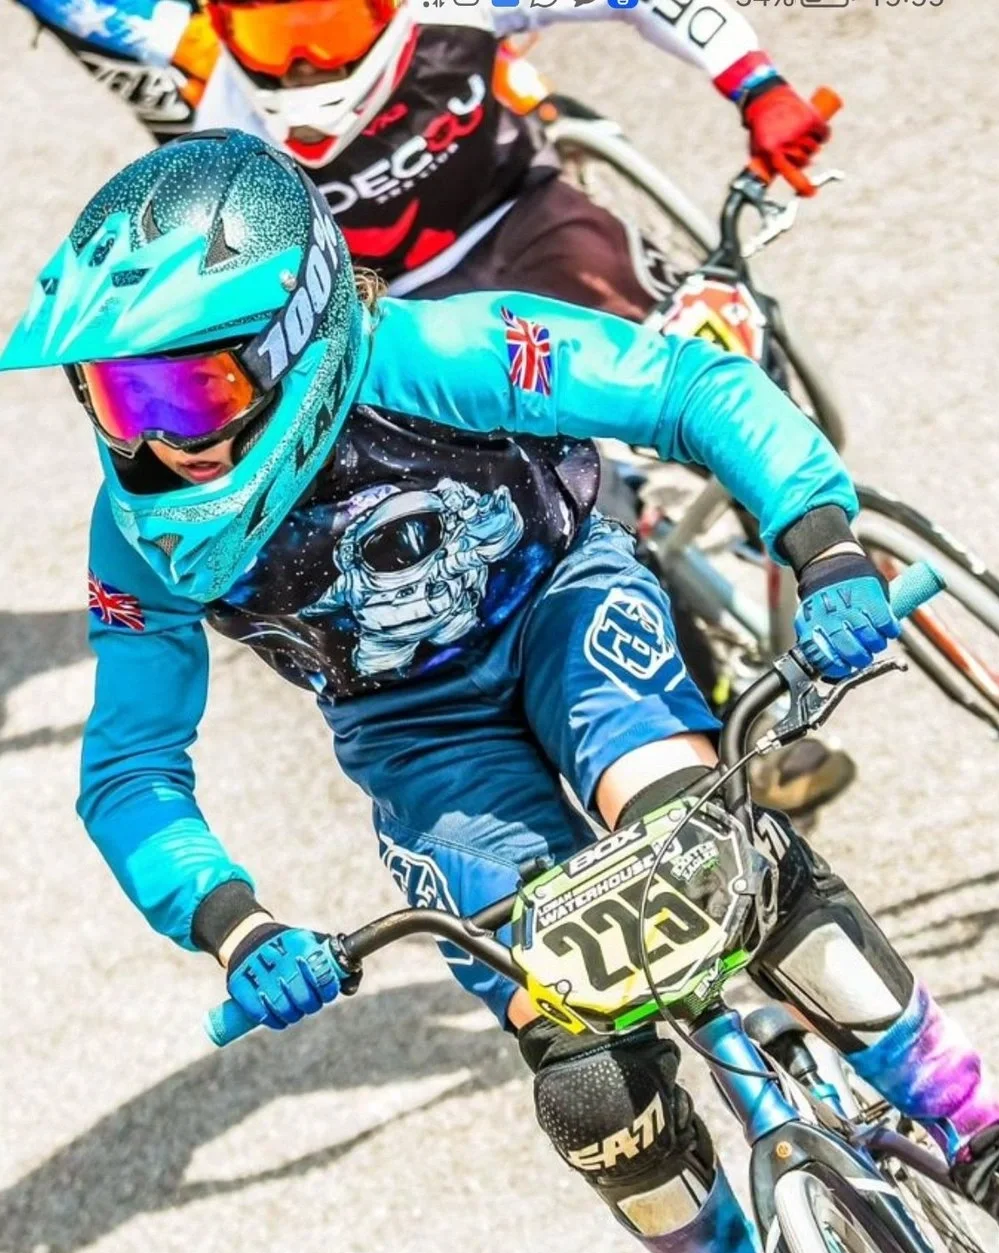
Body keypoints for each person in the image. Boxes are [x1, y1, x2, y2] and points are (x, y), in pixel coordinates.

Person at [9, 130, 996, 1253]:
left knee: (706, 850)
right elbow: (130, 768)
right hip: (419, 743)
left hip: (565, 614)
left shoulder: (433, 355)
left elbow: (682, 387)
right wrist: (236, 924)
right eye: (119, 402)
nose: (161, 443)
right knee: (591, 1081)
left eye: (188, 389)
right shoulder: (136, 538)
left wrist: (819, 545)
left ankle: (970, 1119)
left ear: (301, 328)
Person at [18, 0, 845, 814]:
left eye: (329, 25)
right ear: (226, 31)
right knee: (580, 512)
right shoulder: (223, 123)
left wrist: (756, 83)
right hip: (384, 311)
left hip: (520, 223)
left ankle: (794, 524)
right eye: (271, 36)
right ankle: (714, 688)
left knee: (700, 362)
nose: (303, 66)